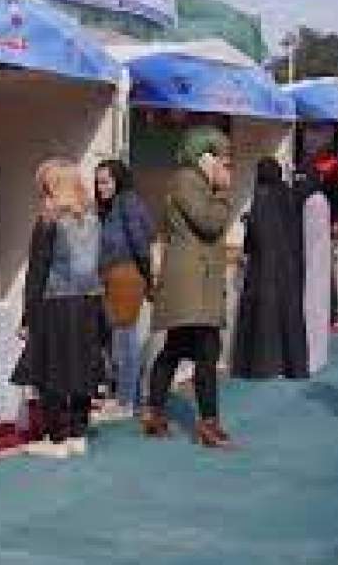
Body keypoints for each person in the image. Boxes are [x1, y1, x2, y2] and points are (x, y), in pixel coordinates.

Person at [142, 126, 235, 448]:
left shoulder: (194, 182)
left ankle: (154, 412)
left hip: (195, 282)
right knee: (206, 352)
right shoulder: (187, 180)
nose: (228, 167)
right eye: (223, 159)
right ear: (205, 157)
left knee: (176, 349)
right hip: (191, 283)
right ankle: (207, 424)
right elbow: (209, 222)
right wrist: (222, 194)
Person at [12, 160, 105, 458]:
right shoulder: (92, 217)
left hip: (55, 302)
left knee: (50, 368)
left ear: (51, 187)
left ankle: (55, 438)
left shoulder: (49, 220)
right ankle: (78, 432)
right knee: (82, 366)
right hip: (89, 300)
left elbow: (37, 271)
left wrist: (28, 315)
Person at [232, 158, 309, 380]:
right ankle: (291, 365)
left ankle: (262, 366)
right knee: (288, 316)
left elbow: (257, 232)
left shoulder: (262, 194)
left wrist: (248, 226)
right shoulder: (288, 193)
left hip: (264, 267)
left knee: (263, 318)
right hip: (289, 265)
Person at [95, 159, 155, 419]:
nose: (100, 187)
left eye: (105, 181)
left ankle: (125, 401)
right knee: (122, 338)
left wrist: (146, 273)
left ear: (119, 179)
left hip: (126, 273)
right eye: (98, 182)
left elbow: (141, 240)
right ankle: (126, 396)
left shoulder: (126, 202)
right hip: (119, 273)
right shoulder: (118, 204)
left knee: (125, 339)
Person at [294, 170, 332, 374]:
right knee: (317, 309)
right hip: (318, 262)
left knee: (311, 309)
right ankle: (316, 356)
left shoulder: (313, 202)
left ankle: (310, 358)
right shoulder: (320, 199)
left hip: (311, 262)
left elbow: (307, 236)